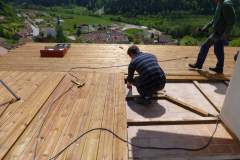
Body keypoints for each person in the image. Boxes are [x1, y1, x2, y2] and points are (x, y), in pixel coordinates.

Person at [189, 0, 236, 74]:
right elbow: (214, 19)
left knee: (205, 46)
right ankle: (219, 68)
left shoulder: (226, 5)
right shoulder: (219, 4)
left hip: (220, 33)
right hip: (217, 31)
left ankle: (198, 64)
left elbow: (231, 21)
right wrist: (205, 27)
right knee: (218, 50)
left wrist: (226, 34)